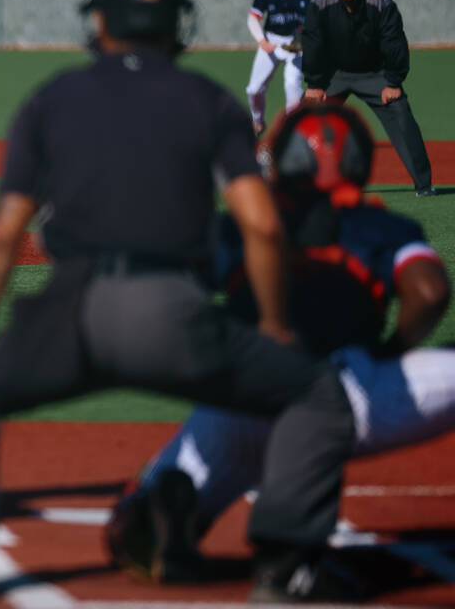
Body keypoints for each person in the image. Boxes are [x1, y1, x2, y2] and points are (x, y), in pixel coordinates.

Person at [0, 0, 358, 603]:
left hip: (70, 313)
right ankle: (288, 569)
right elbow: (261, 226)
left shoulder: (52, 98)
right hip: (176, 315)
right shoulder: (207, 101)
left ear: (101, 23)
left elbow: (1, 237)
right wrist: (277, 325)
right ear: (177, 27)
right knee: (317, 396)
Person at [105, 102, 452, 600]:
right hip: (341, 391)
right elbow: (429, 291)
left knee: (134, 527)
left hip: (235, 397)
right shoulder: (380, 226)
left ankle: (163, 501)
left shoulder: (246, 223)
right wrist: (392, 350)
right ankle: (288, 559)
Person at [301, 0, 436, 197]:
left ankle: (424, 185)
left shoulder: (380, 0)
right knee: (305, 115)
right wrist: (314, 83)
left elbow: (394, 42)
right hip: (334, 74)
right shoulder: (320, 0)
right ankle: (297, 182)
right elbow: (312, 41)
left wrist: (394, 81)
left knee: (400, 112)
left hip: (375, 74)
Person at [245, 0, 314, 136]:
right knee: (254, 89)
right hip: (272, 41)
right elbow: (253, 19)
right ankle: (258, 121)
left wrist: (304, 39)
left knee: (292, 86)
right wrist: (262, 41)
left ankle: (293, 131)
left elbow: (316, 21)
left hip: (296, 45)